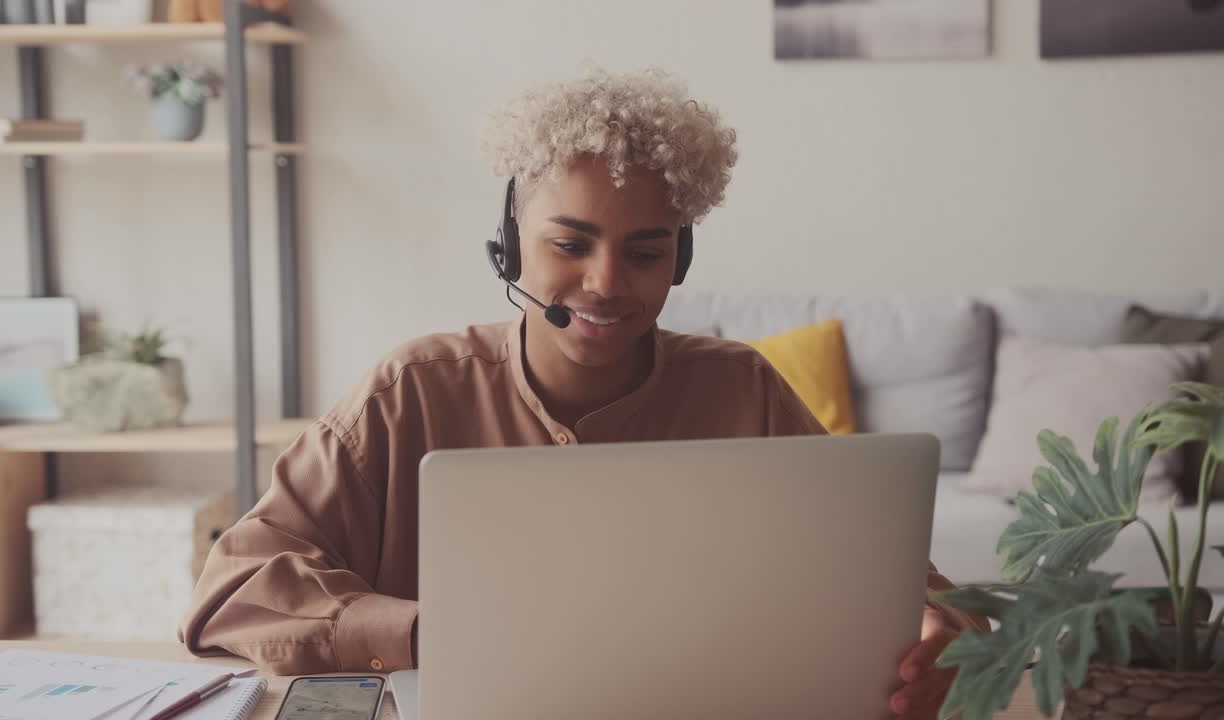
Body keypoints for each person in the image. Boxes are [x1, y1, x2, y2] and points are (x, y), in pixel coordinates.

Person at [178, 67, 985, 719]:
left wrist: (935, 641)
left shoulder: (744, 390)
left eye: (645, 251)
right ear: (508, 250)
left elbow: (925, 598)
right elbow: (231, 593)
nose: (605, 285)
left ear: (681, 258)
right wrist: (428, 632)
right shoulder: (412, 392)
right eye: (570, 243)